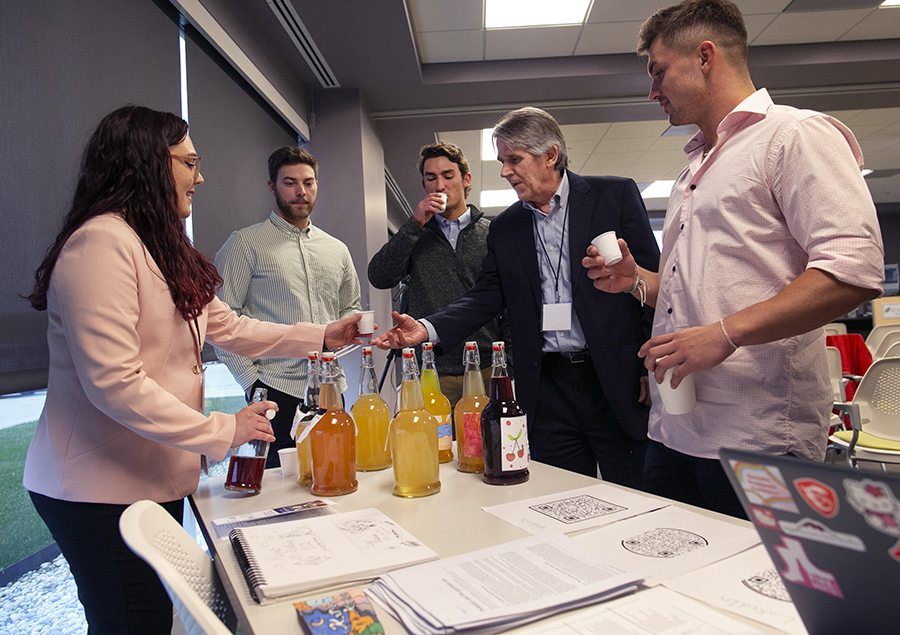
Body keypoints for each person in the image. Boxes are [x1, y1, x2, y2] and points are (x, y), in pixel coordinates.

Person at [21, 105, 365, 635]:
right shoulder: (100, 243)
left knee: (152, 620)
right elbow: (114, 381)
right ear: (146, 164)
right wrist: (222, 430)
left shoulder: (162, 244)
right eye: (189, 162)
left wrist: (322, 334)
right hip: (95, 489)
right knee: (133, 623)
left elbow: (230, 326)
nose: (200, 176)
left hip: (150, 475)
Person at [583, 0, 883, 517]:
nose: (652, 91)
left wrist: (724, 334)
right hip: (676, 427)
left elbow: (852, 272)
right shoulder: (695, 167)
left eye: (659, 73)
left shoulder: (794, 135)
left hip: (759, 435)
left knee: (758, 593)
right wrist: (637, 282)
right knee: (676, 579)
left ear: (705, 56)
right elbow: (693, 290)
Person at [374, 107, 660, 489]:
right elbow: (485, 297)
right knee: (557, 495)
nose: (506, 171)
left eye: (514, 160)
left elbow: (651, 285)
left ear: (551, 156)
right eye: (502, 161)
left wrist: (648, 367)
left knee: (634, 493)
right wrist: (425, 329)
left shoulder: (614, 196)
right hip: (546, 386)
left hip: (612, 377)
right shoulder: (507, 226)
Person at [214, 146, 362, 466]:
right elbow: (224, 320)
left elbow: (350, 306)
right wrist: (251, 382)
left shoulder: (336, 250)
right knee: (277, 490)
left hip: (329, 390)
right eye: (290, 182)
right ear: (272, 186)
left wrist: (356, 328)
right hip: (273, 389)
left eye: (308, 183)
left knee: (331, 473)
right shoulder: (244, 244)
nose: (301, 191)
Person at [367, 142, 501, 409]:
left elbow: (507, 299)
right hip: (429, 368)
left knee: (487, 447)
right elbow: (379, 277)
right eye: (431, 178)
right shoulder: (414, 234)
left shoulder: (492, 233)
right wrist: (415, 224)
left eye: (448, 176)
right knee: (430, 447)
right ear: (424, 185)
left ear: (466, 180)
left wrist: (508, 357)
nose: (439, 185)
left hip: (485, 365)